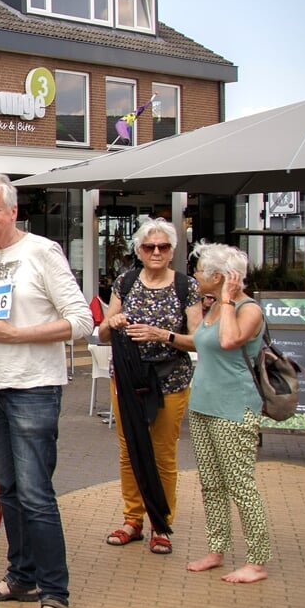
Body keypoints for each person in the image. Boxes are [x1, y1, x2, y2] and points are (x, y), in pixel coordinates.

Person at [0, 173, 92, 608]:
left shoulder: (41, 251)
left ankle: (55, 593)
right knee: (11, 492)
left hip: (33, 386)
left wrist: (19, 335)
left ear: (14, 211)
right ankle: (21, 577)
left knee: (37, 495)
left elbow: (80, 321)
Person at [98, 218, 201, 556]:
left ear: (172, 251)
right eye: (149, 246)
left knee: (162, 454)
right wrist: (112, 323)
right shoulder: (125, 283)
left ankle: (161, 523)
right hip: (128, 379)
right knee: (129, 451)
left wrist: (163, 335)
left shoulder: (186, 286)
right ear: (139, 251)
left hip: (170, 378)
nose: (156, 252)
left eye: (163, 247)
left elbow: (198, 340)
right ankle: (133, 519)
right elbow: (101, 334)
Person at [185, 242, 272, 584]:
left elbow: (227, 342)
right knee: (211, 484)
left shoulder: (247, 310)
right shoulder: (213, 308)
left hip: (234, 409)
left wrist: (227, 300)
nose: (196, 276)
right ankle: (216, 548)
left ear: (220, 277)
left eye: (201, 271)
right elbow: (200, 342)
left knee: (241, 485)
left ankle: (257, 561)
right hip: (203, 405)